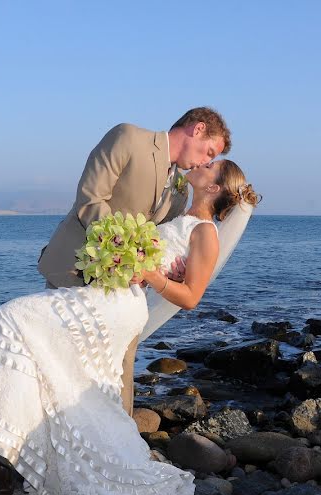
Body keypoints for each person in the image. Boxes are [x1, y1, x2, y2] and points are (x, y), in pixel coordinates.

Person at [0, 159, 259, 495]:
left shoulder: (206, 232)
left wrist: (150, 275)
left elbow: (192, 296)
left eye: (211, 166)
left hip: (123, 306)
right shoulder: (180, 212)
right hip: (109, 293)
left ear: (214, 187)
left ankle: (8, 438)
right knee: (54, 363)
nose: (203, 164)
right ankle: (21, 444)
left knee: (14, 315)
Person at [38, 108, 232, 419]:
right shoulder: (127, 138)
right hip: (76, 270)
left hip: (126, 293)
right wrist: (132, 251)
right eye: (208, 152)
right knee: (62, 363)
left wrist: (166, 266)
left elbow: (160, 239)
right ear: (196, 129)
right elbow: (90, 200)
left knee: (120, 367)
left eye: (211, 161)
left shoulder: (180, 191)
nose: (203, 163)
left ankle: (120, 449)